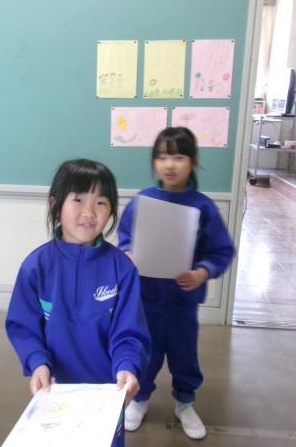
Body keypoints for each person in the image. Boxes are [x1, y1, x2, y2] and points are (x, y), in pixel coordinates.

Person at [5, 159, 151, 447]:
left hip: (107, 395)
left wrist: (127, 366)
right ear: (55, 205)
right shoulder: (36, 267)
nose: (89, 212)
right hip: (54, 394)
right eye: (78, 200)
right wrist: (37, 363)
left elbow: (129, 333)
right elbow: (23, 327)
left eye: (101, 203)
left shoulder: (122, 270)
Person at [117, 127, 235, 440]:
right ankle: (140, 399)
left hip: (183, 302)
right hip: (146, 301)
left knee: (185, 356)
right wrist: (128, 253)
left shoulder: (203, 207)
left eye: (178, 157)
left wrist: (202, 272)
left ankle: (185, 403)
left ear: (193, 161)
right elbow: (125, 237)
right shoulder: (143, 200)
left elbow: (221, 250)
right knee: (146, 353)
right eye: (161, 157)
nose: (169, 164)